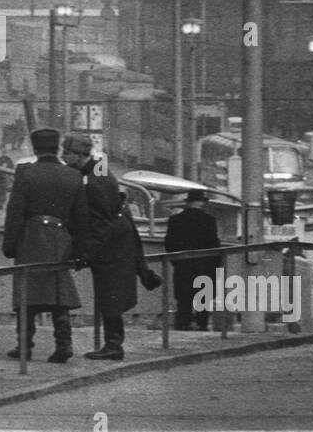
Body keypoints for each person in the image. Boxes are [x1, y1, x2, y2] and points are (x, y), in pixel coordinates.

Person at [63, 134, 161, 361]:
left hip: (113, 245)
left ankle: (114, 346)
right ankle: (112, 344)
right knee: (111, 293)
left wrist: (86, 254)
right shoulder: (97, 171)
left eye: (66, 154)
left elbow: (100, 225)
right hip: (119, 239)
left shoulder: (94, 182)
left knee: (111, 294)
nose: (63, 157)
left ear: (79, 155)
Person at [1, 127, 88, 363]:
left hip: (31, 236)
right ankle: (64, 343)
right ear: (58, 147)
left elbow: (15, 212)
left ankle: (24, 346)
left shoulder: (26, 173)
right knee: (59, 294)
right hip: (60, 239)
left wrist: (10, 244)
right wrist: (80, 251)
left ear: (34, 148)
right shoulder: (73, 176)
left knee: (27, 293)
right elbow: (81, 217)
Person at [164, 188, 222, 331]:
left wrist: (176, 261)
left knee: (183, 298)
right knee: (203, 297)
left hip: (183, 266)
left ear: (188, 202)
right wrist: (215, 265)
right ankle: (202, 325)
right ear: (201, 203)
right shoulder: (209, 220)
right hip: (205, 266)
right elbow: (214, 244)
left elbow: (169, 243)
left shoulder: (175, 220)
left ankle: (182, 324)